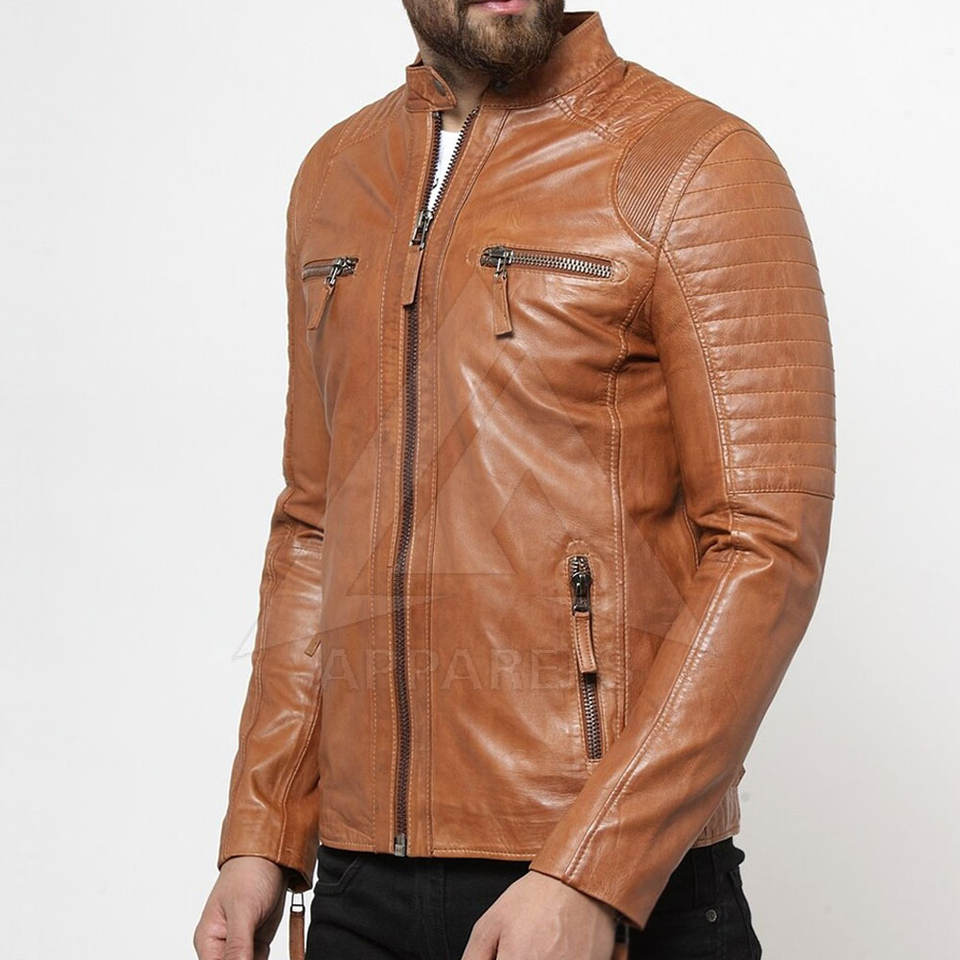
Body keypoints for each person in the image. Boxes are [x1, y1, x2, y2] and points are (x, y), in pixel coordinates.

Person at [194, 3, 834, 959]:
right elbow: (315, 528)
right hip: (359, 888)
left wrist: (594, 869)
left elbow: (765, 546)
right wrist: (263, 828)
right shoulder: (336, 173)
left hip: (601, 890)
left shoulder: (694, 161)